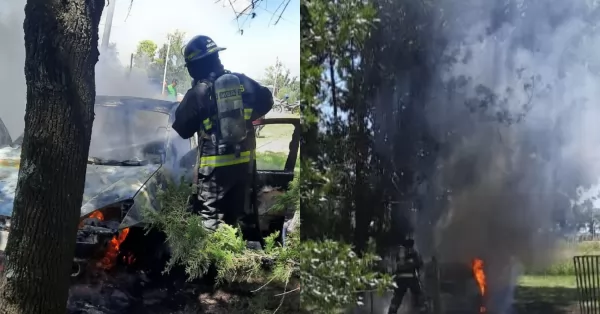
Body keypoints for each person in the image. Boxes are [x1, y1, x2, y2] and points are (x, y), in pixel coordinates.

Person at [171, 35, 273, 233]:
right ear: (217, 57)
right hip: (245, 167)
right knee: (243, 219)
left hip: (214, 174)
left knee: (210, 225)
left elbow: (182, 129)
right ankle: (242, 259)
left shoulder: (199, 93)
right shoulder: (243, 82)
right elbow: (268, 100)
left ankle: (212, 262)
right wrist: (247, 116)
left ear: (194, 66)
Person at [388, 238, 426, 314]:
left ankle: (392, 312)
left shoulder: (399, 253)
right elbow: (419, 264)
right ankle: (422, 310)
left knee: (397, 297)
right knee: (418, 295)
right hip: (411, 278)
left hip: (400, 279)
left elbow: (394, 266)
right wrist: (419, 275)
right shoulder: (414, 252)